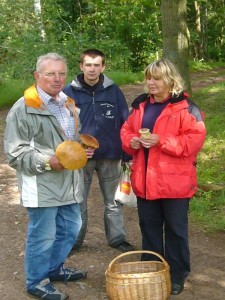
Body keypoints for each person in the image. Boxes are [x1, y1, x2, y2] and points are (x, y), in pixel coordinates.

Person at [4, 53, 92, 300]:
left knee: (71, 229)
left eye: (61, 73)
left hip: (69, 182)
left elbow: (70, 141)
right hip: (41, 184)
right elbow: (15, 153)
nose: (57, 78)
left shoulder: (68, 103)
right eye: (50, 73)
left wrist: (81, 148)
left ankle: (54, 269)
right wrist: (47, 162)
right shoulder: (24, 108)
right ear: (37, 76)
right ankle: (36, 281)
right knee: (43, 235)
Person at [120, 59, 206, 295]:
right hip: (145, 181)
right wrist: (132, 141)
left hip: (175, 183)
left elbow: (193, 142)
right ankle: (152, 270)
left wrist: (161, 141)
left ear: (170, 80)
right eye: (149, 77)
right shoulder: (140, 105)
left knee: (176, 231)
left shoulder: (187, 108)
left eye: (156, 78)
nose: (151, 82)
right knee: (149, 229)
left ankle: (177, 274)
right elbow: (126, 130)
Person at [63, 48, 134, 252]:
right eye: (88, 65)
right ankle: (74, 241)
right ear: (81, 66)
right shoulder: (68, 92)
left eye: (96, 65)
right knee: (78, 200)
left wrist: (127, 154)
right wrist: (72, 150)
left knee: (114, 201)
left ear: (103, 66)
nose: (92, 69)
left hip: (111, 155)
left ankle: (117, 239)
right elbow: (61, 125)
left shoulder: (113, 91)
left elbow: (125, 122)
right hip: (80, 156)